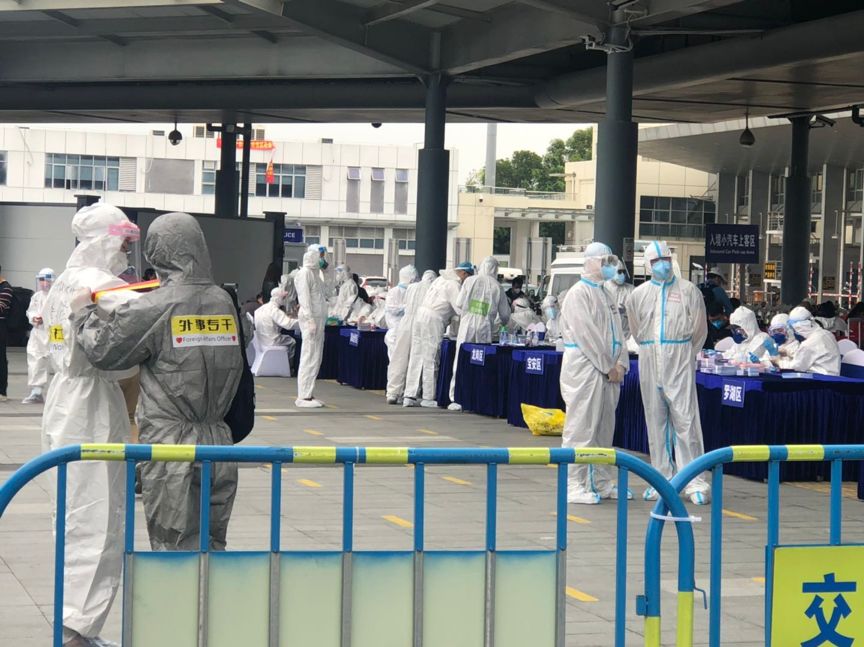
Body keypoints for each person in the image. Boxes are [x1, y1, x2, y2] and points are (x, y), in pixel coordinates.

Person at [74, 212, 241, 557]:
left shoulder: (156, 305)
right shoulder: (224, 301)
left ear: (157, 252)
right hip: (219, 441)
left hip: (170, 447)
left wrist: (82, 314)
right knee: (213, 544)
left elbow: (105, 350)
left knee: (173, 547)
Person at [41, 202, 140, 647]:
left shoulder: (63, 281)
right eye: (122, 242)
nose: (125, 251)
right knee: (99, 515)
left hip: (61, 403)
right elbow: (134, 342)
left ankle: (73, 623)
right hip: (94, 406)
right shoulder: (103, 284)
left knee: (71, 512)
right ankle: (78, 629)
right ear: (105, 240)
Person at [626, 240, 710, 505]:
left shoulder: (689, 291)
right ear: (647, 265)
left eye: (664, 259)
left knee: (686, 420)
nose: (661, 265)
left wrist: (684, 353)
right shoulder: (638, 295)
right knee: (655, 420)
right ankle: (662, 479)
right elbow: (636, 330)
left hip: (679, 357)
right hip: (650, 357)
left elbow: (699, 330)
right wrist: (652, 348)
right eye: (655, 261)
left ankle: (694, 481)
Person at [559, 243, 629, 504]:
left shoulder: (606, 293)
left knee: (604, 430)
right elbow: (586, 334)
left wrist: (621, 364)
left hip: (609, 372)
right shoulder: (578, 294)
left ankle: (600, 482)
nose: (610, 266)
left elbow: (618, 332)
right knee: (581, 427)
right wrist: (607, 365)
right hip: (586, 369)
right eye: (604, 261)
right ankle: (574, 484)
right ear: (589, 262)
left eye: (611, 261)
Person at [404, 262, 473, 408]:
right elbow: (460, 309)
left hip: (420, 315)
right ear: (464, 274)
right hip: (433, 318)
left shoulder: (440, 279)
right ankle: (428, 397)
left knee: (416, 355)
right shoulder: (454, 285)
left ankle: (409, 395)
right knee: (431, 356)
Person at [447, 256, 510, 411]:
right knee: (480, 362)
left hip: (467, 325)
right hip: (484, 328)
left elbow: (459, 303)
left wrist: (470, 309)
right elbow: (505, 315)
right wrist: (502, 323)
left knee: (461, 360)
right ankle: (478, 398)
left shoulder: (470, 281)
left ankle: (456, 397)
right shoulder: (497, 286)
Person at [386, 270, 436, 405]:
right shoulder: (431, 288)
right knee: (416, 358)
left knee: (399, 357)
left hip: (405, 323)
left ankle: (392, 392)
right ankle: (410, 393)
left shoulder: (411, 287)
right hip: (420, 323)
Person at [295, 248, 328, 407]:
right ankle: (303, 396)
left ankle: (309, 393)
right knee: (309, 355)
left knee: (315, 357)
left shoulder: (316, 274)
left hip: (318, 320)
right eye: (320, 256)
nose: (322, 259)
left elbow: (324, 293)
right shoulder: (304, 274)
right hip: (311, 320)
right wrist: (309, 319)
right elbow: (304, 298)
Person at [22, 267, 55, 404]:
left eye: (46, 280)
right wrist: (34, 318)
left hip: (55, 331)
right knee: (35, 358)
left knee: (59, 359)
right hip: (38, 331)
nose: (43, 283)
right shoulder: (36, 296)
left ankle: (61, 392)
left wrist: (46, 319)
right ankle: (37, 391)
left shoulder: (57, 296)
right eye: (41, 280)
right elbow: (31, 311)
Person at [785, 306, 842, 375]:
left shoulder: (810, 343)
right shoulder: (827, 334)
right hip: (833, 376)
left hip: (821, 378)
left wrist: (778, 361)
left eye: (794, 330)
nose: (794, 332)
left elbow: (797, 366)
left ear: (800, 328)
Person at [384, 265, 418, 362]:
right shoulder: (395, 291)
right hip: (396, 331)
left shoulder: (413, 291)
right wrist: (407, 308)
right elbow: (391, 309)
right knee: (396, 360)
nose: (416, 280)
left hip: (408, 331)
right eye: (414, 278)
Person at [254, 288, 298, 359]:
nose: (284, 300)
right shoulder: (274, 310)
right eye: (283, 298)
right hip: (273, 342)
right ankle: (288, 363)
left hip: (262, 342)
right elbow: (289, 325)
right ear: (278, 298)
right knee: (292, 342)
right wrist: (304, 322)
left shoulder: (259, 310)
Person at [606, 259, 635, 340]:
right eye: (619, 272)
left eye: (623, 272)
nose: (622, 274)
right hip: (608, 337)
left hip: (627, 337)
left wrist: (627, 311)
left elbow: (638, 312)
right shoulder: (603, 288)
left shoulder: (631, 289)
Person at [0, 265, 11, 402]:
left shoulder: (6, 288)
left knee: (1, 359)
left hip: (1, 326)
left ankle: (2, 391)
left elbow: (1, 307)